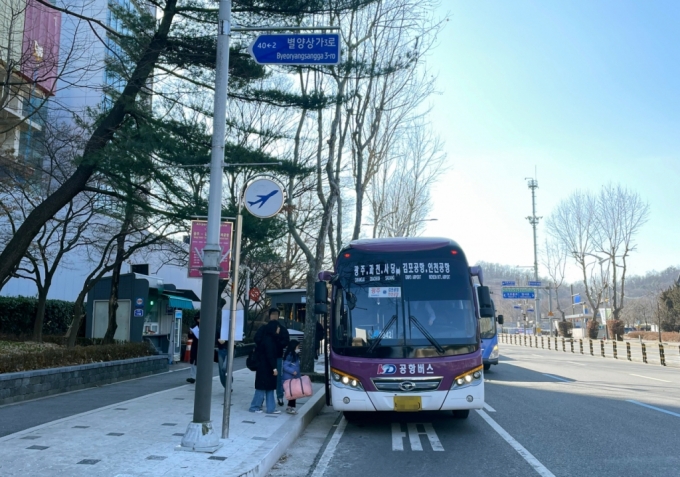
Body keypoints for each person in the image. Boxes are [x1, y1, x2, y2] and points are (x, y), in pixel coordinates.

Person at [256, 307, 290, 406]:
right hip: (264, 357)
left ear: (279, 316)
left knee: (278, 378)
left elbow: (285, 341)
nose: (274, 316)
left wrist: (276, 341)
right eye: (272, 314)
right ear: (269, 316)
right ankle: (261, 398)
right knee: (264, 377)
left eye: (276, 315)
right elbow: (257, 339)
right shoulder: (264, 328)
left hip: (278, 356)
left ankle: (279, 396)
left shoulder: (282, 329)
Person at [249, 320, 281, 414]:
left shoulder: (267, 338)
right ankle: (254, 407)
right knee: (262, 388)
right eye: (278, 327)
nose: (279, 329)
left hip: (264, 368)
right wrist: (274, 368)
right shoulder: (269, 340)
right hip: (266, 368)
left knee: (268, 388)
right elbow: (270, 355)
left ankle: (271, 408)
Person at [282, 339, 301, 415]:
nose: (298, 348)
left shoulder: (295, 355)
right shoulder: (290, 355)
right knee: (293, 393)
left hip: (294, 377)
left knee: (293, 393)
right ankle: (290, 407)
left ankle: (291, 407)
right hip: (290, 377)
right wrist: (293, 371)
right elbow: (285, 366)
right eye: (297, 346)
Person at [187, 313, 200, 384]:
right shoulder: (194, 327)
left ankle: (199, 376)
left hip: (203, 346)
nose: (199, 320)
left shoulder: (206, 325)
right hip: (195, 345)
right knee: (193, 360)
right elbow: (190, 337)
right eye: (198, 319)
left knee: (200, 361)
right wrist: (190, 333)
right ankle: (193, 377)